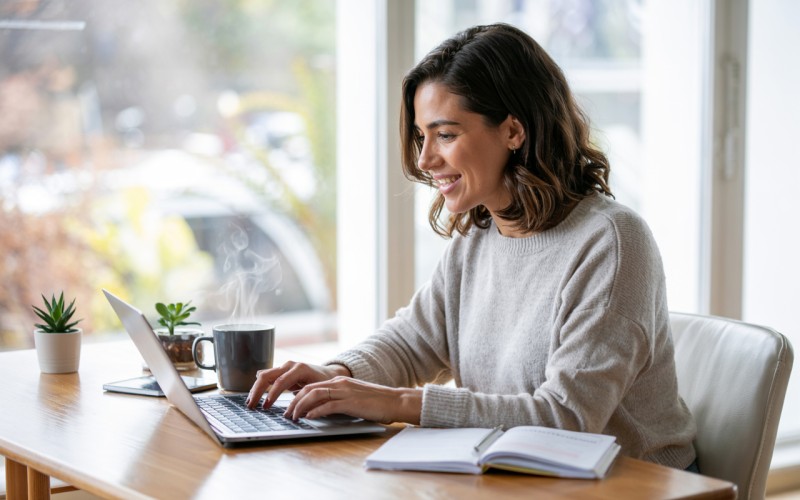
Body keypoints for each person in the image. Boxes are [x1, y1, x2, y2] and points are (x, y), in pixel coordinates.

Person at [246, 22, 697, 471]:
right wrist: (337, 374)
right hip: (521, 477)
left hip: (637, 482)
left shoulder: (611, 242)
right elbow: (413, 342)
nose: (424, 160)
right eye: (423, 136)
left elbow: (567, 418)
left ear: (513, 131)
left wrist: (401, 402)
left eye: (445, 135)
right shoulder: (479, 237)